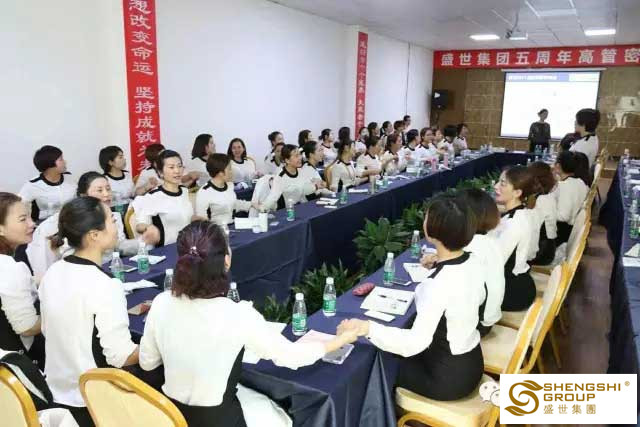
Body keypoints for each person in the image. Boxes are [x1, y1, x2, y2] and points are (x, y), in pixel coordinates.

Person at [139, 221, 356, 427]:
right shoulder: (238, 314)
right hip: (220, 421)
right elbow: (291, 356)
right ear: (226, 261)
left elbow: (147, 363)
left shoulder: (161, 302)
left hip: (170, 415)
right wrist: (340, 340)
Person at [338, 196, 485, 401]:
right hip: (473, 362)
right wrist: (438, 262)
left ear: (432, 230)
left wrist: (367, 328)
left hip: (445, 378)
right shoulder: (474, 260)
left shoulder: (436, 284)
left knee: (374, 364)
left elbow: (414, 344)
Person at [40, 197, 139, 426]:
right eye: (112, 220)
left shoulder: (53, 272)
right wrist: (158, 345)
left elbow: (47, 330)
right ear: (94, 234)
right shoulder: (105, 284)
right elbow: (120, 356)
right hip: (94, 402)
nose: (117, 225)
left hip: (57, 395)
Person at [27, 172, 142, 281]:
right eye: (100, 190)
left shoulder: (113, 216)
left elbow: (118, 244)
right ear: (83, 195)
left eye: (108, 189)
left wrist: (143, 242)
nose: (106, 194)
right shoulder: (56, 224)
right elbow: (45, 272)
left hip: (108, 273)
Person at [0, 193, 44, 369]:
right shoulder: (10, 267)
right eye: (23, 219)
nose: (32, 224)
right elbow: (27, 328)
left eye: (30, 217)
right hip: (15, 363)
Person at [491, 166, 537, 312]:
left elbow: (495, 261)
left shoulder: (515, 222)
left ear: (517, 193)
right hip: (512, 280)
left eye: (503, 184)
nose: (496, 186)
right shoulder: (518, 213)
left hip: (512, 289)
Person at [134, 150, 194, 247]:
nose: (177, 171)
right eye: (171, 167)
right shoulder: (153, 196)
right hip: (167, 249)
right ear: (160, 172)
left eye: (179, 166)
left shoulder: (184, 191)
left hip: (188, 245)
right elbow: (140, 225)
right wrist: (148, 227)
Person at [195, 154, 257, 225]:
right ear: (220, 173)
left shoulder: (229, 185)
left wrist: (252, 204)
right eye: (229, 169)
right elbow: (202, 220)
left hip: (232, 226)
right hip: (215, 229)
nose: (232, 171)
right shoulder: (204, 192)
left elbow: (234, 204)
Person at [19, 146, 75, 223]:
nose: (65, 162)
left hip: (70, 221)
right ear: (49, 164)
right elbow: (18, 205)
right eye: (61, 159)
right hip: (44, 224)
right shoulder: (33, 185)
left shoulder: (69, 177)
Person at [261, 144, 324, 211]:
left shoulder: (300, 170)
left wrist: (316, 186)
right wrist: (263, 208)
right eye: (296, 156)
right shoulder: (280, 177)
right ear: (287, 160)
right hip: (290, 210)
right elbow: (273, 197)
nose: (300, 158)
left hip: (304, 206)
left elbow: (305, 189)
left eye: (300, 154)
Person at [553, 151, 589, 245]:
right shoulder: (580, 182)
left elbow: (563, 216)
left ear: (558, 166)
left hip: (562, 232)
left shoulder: (565, 186)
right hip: (573, 229)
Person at [527, 162, 558, 265]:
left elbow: (532, 230)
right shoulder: (547, 196)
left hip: (541, 252)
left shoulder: (540, 200)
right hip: (547, 246)